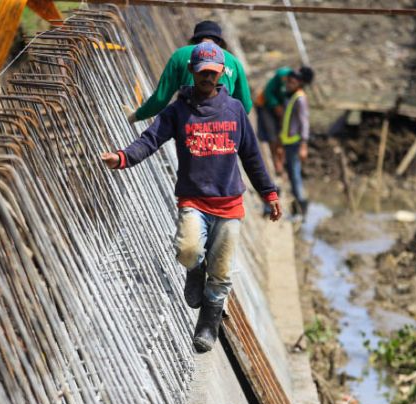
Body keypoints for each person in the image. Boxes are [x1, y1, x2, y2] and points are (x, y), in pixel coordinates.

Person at [101, 42, 281, 353]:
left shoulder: (235, 110)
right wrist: (123, 158)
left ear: (222, 73)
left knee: (222, 271)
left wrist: (270, 193)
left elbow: (251, 156)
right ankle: (195, 271)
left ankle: (208, 325)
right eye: (202, 73)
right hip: (194, 201)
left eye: (213, 73)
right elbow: (151, 139)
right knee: (187, 250)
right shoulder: (178, 110)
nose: (207, 79)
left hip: (229, 204)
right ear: (192, 72)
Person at [126, 21, 252, 123]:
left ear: (195, 40)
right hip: (223, 129)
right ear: (219, 42)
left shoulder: (180, 55)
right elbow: (245, 106)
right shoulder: (234, 63)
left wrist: (136, 116)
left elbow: (160, 99)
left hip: (190, 124)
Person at [279, 66, 314, 216]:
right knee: (293, 176)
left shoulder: (299, 98)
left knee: (295, 175)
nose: (289, 84)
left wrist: (304, 145)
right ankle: (297, 210)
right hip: (289, 142)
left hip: (295, 143)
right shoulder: (292, 96)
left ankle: (300, 210)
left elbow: (304, 122)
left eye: (292, 82)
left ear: (299, 83)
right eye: (289, 82)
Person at [254, 66, 294, 174]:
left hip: (280, 108)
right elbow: (268, 93)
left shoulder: (291, 83)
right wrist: (276, 106)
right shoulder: (277, 80)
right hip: (266, 107)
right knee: (271, 134)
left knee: (281, 133)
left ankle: (281, 157)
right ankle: (276, 160)